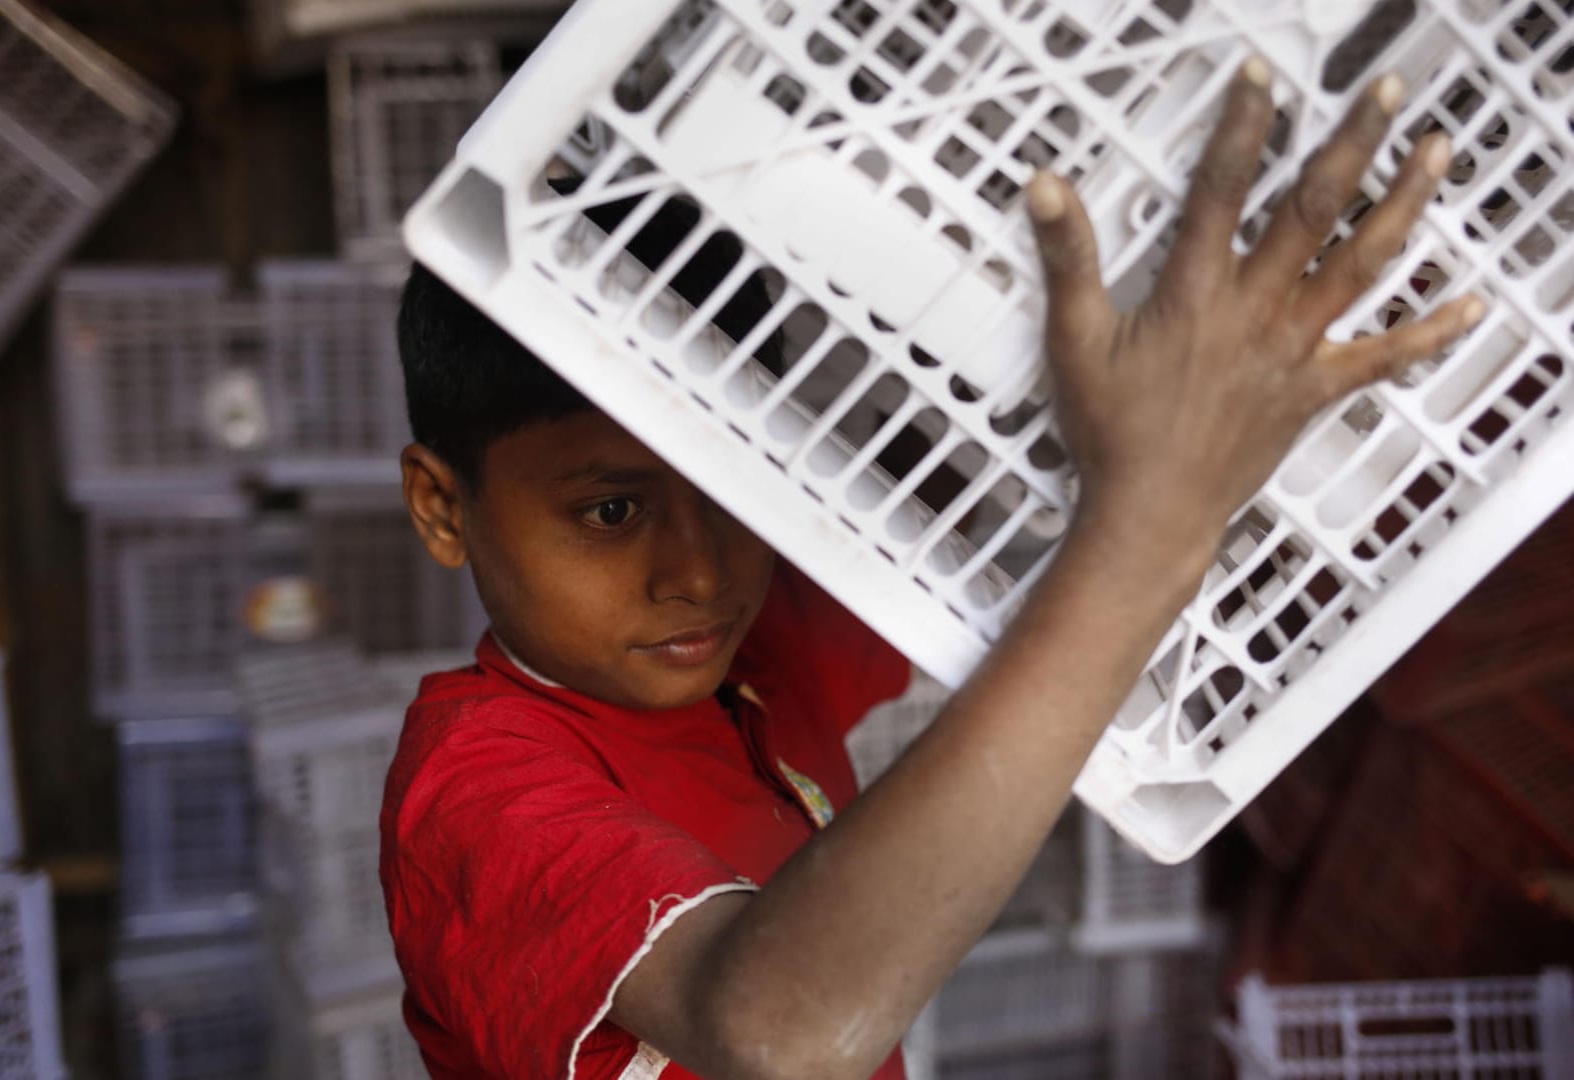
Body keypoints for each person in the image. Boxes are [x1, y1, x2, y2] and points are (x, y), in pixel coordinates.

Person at [382, 58, 1483, 1080]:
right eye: (610, 512)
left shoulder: (748, 658)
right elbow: (773, 1027)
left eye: (736, 485)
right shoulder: (474, 785)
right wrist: (1152, 520)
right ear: (442, 506)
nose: (700, 573)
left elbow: (954, 499)